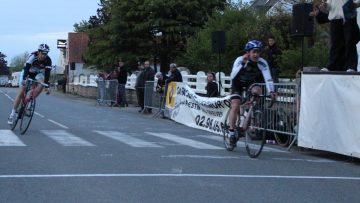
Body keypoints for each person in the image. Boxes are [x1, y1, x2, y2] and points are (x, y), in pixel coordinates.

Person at [227, 40, 276, 145]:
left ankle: (248, 113)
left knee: (258, 91)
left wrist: (271, 91)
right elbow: (232, 76)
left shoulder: (262, 62)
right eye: (254, 52)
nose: (256, 54)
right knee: (235, 105)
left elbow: (268, 78)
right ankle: (231, 132)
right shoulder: (240, 59)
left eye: (258, 52)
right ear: (248, 52)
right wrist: (242, 64)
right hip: (237, 82)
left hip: (250, 82)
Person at [8, 43, 52, 124]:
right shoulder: (32, 56)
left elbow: (47, 74)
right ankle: (12, 114)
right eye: (42, 53)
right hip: (27, 72)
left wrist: (46, 86)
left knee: (42, 83)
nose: (44, 55)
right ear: (39, 52)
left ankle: (29, 101)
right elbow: (26, 68)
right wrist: (24, 79)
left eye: (46, 54)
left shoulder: (48, 60)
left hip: (37, 74)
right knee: (21, 91)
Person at [310, 0, 360, 72]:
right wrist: (325, 6)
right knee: (335, 44)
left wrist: (355, 4)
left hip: (349, 16)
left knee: (350, 42)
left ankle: (351, 66)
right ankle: (332, 66)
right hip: (335, 19)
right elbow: (329, 5)